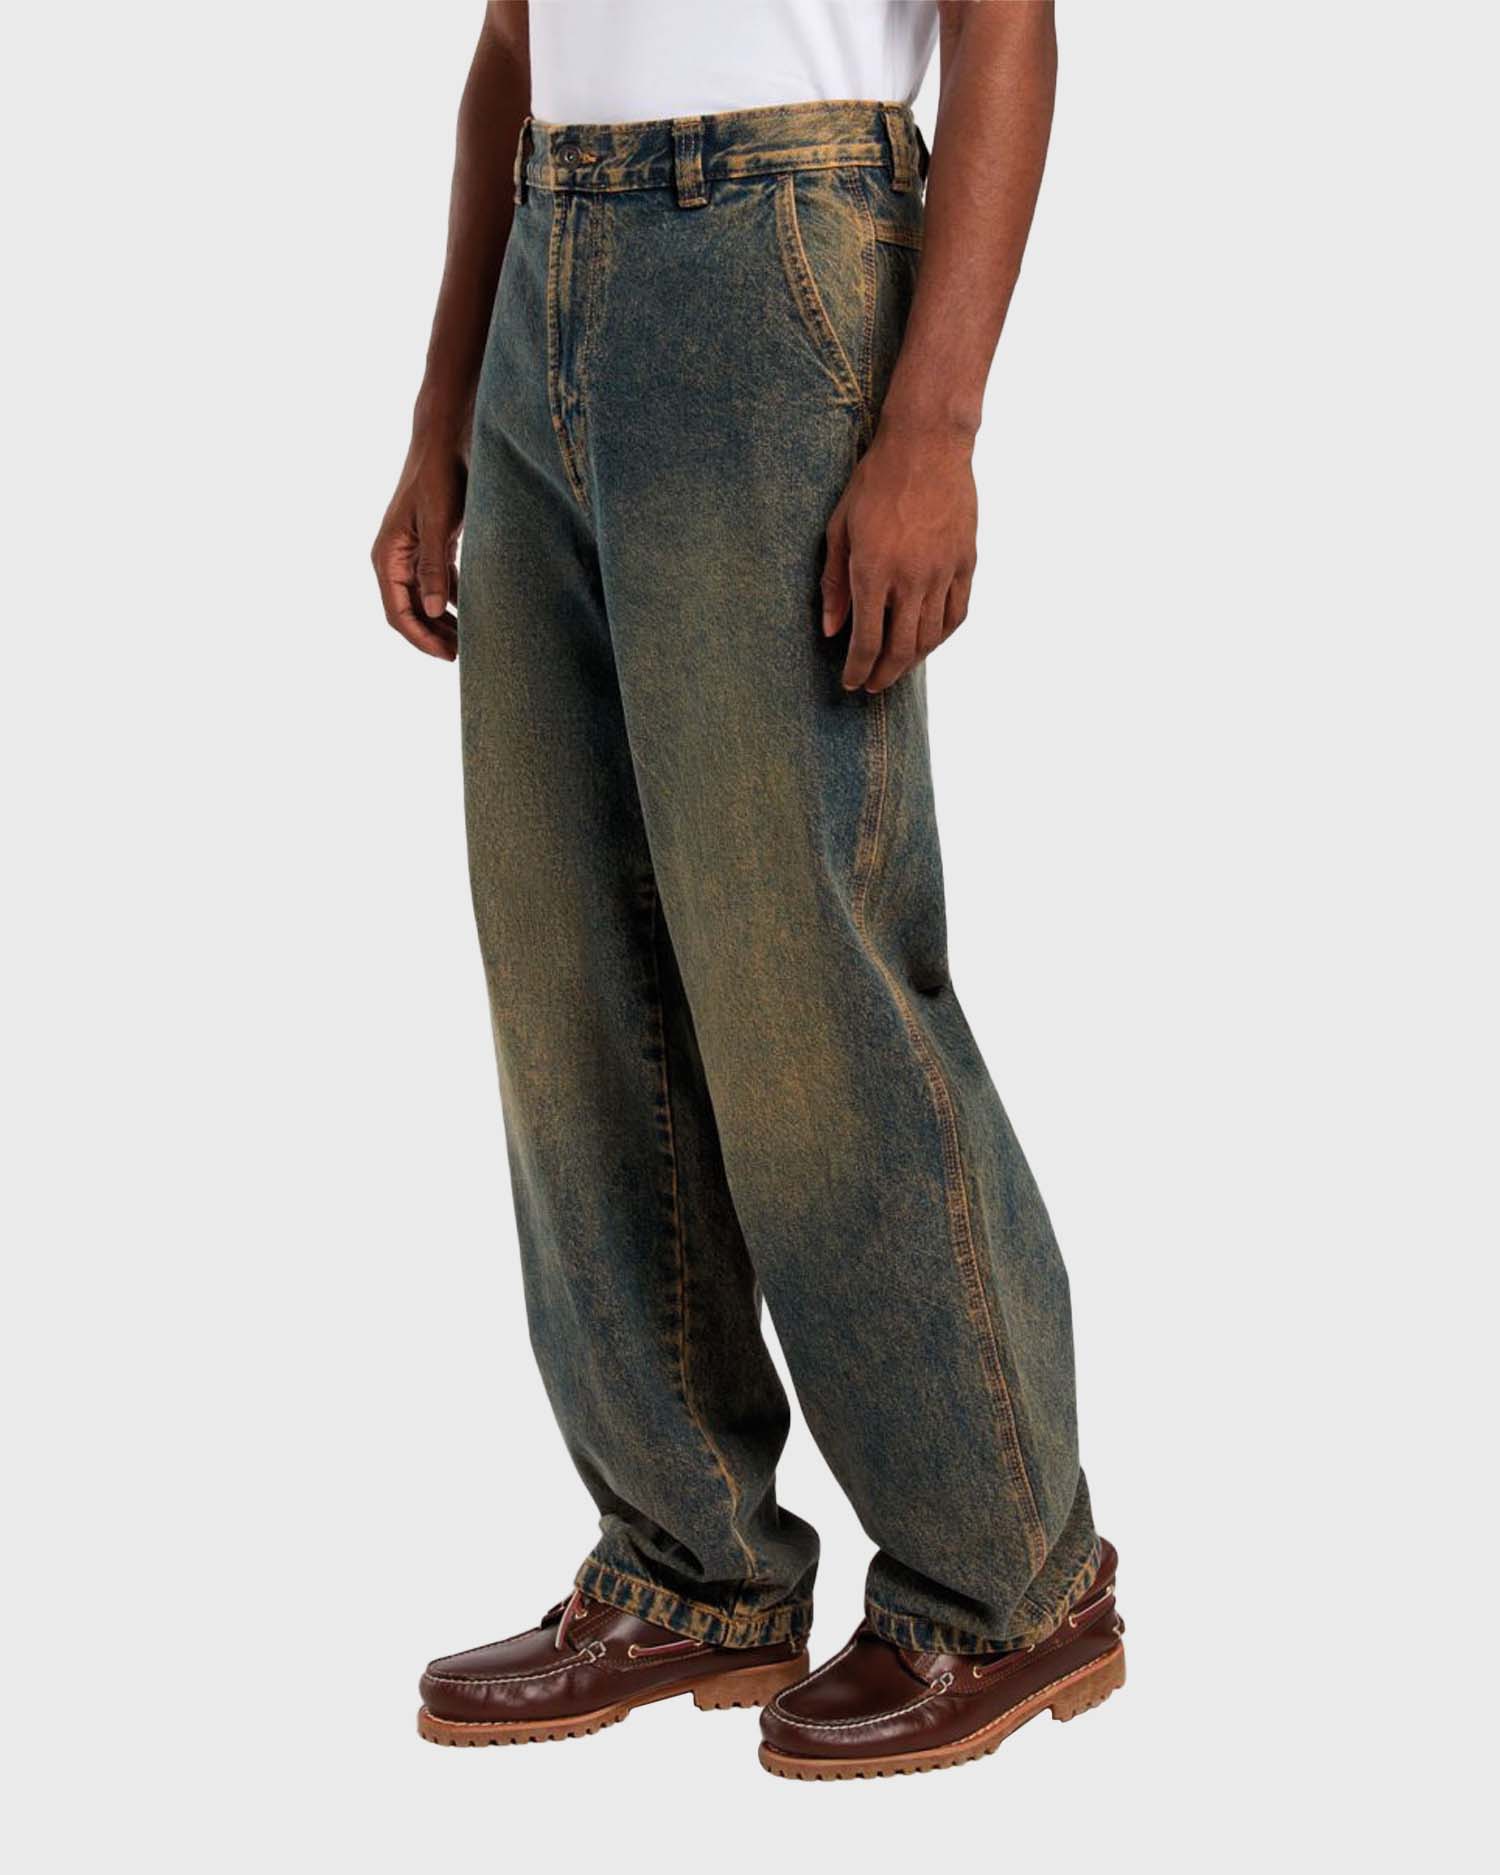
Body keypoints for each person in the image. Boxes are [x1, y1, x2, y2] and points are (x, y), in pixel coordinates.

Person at [374, 0, 1121, 1780]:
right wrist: (442, 411)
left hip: (777, 256)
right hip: (548, 264)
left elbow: (1006, 29)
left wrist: (935, 422)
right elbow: (511, 48)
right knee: (569, 968)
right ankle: (688, 1565)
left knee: (805, 976)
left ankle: (1009, 1583)